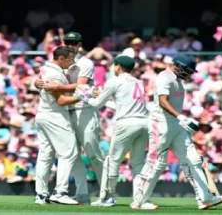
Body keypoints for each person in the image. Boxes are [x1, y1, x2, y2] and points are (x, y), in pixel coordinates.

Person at [132, 54, 222, 210]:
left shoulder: (178, 81)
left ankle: (205, 198)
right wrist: (181, 117)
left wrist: (181, 119)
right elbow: (163, 101)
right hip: (161, 124)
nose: (189, 74)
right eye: (188, 70)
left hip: (176, 125)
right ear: (179, 66)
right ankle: (139, 201)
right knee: (156, 163)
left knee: (193, 160)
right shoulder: (164, 77)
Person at [75, 56, 157, 209]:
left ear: (118, 67)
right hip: (144, 123)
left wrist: (83, 96)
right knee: (137, 163)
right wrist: (100, 98)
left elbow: (96, 104)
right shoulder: (138, 82)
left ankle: (108, 197)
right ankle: (141, 199)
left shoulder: (114, 80)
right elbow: (121, 105)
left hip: (126, 123)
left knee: (112, 161)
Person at [36, 32, 104, 204]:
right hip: (65, 110)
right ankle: (82, 193)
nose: (71, 45)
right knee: (72, 155)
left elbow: (82, 86)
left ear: (80, 44)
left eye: (74, 43)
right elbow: (42, 79)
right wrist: (37, 83)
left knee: (93, 153)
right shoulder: (60, 59)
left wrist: (56, 86)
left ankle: (107, 194)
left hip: (83, 110)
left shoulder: (84, 62)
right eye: (68, 42)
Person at [34, 46, 81, 205]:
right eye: (70, 59)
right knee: (69, 152)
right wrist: (83, 96)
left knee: (45, 155)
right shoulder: (55, 74)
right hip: (55, 116)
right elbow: (61, 101)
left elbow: (39, 83)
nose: (72, 62)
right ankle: (60, 192)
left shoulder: (46, 68)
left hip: (42, 114)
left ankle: (41, 194)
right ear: (61, 58)